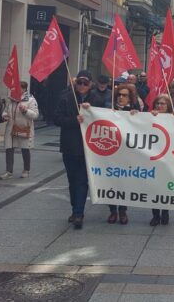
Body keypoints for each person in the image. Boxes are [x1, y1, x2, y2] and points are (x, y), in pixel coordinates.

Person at [53, 70, 96, 229]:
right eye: (79, 83)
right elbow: (56, 119)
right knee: (72, 181)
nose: (82, 86)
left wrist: (92, 111)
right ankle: (74, 209)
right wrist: (74, 120)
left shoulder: (96, 99)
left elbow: (107, 116)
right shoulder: (66, 98)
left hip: (88, 148)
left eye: (85, 83)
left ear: (90, 84)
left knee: (82, 181)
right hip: (70, 146)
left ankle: (79, 213)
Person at [106, 83, 137, 224]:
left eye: (124, 95)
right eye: (119, 95)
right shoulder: (108, 110)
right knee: (110, 181)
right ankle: (112, 211)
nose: (121, 97)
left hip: (126, 153)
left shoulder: (134, 111)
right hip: (111, 152)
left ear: (130, 98)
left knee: (124, 182)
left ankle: (123, 211)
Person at [148, 94, 174, 226]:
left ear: (168, 106)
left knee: (166, 187)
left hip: (169, 159)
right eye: (158, 104)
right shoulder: (150, 116)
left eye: (162, 104)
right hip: (153, 157)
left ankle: (165, 212)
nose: (159, 106)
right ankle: (155, 215)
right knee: (154, 187)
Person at [0, 81, 38, 180]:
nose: (14, 90)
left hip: (23, 128)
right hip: (11, 128)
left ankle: (26, 169)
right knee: (9, 148)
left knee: (25, 149)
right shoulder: (11, 100)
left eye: (17, 88)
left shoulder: (30, 100)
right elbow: (5, 111)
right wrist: (4, 116)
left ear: (24, 89)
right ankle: (9, 171)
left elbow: (35, 114)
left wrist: (25, 111)